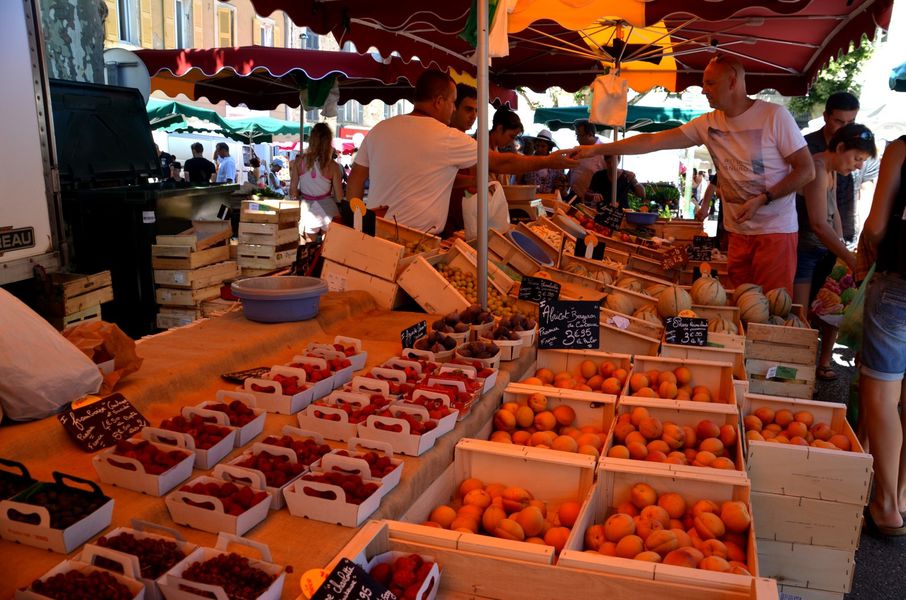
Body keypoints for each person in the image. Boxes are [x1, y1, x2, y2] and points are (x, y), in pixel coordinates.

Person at [575, 55, 814, 293]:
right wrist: (597, 149)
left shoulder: (774, 116)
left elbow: (806, 170)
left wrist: (764, 198)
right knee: (742, 305)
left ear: (732, 82)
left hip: (775, 232)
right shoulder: (707, 123)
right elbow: (653, 140)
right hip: (737, 233)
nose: (703, 91)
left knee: (772, 309)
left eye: (710, 83)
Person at [346, 70, 578, 233]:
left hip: (374, 232)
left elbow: (356, 178)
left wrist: (357, 218)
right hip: (417, 239)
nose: (453, 109)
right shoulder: (447, 137)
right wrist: (548, 161)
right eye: (453, 103)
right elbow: (501, 163)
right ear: (439, 101)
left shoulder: (380, 128)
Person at [795, 124, 876, 381]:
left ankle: (816, 367)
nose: (859, 166)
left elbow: (835, 214)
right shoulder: (817, 169)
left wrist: (842, 245)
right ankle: (797, 378)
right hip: (805, 252)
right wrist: (849, 257)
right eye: (857, 159)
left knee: (832, 312)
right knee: (799, 316)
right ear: (840, 148)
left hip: (825, 251)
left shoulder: (833, 170)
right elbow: (818, 223)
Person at [858, 133, 906, 536]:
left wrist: (866, 244)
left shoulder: (902, 148)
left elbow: (875, 225)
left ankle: (886, 504)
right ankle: (903, 495)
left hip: (900, 283)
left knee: (883, 392)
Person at [803, 92, 860, 245]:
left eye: (851, 122)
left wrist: (842, 238)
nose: (845, 129)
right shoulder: (805, 148)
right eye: (839, 122)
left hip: (840, 236)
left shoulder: (854, 146)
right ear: (825, 117)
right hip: (808, 240)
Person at [290, 123, 343, 235]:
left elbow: (293, 192)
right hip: (329, 210)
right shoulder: (333, 166)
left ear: (311, 139)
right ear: (328, 141)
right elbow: (339, 197)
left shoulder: (299, 162)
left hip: (307, 210)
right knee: (328, 249)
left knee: (308, 247)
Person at [517, 129, 569, 195]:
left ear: (549, 148)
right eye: (537, 145)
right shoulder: (528, 162)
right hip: (530, 199)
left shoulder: (556, 165)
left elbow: (562, 185)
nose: (539, 149)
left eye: (543, 146)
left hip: (550, 200)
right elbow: (519, 182)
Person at [568, 120, 606, 197]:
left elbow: (608, 179)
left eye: (579, 135)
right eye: (576, 135)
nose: (577, 139)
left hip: (592, 202)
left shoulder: (604, 151)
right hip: (573, 197)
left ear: (590, 134)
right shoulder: (577, 149)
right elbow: (573, 171)